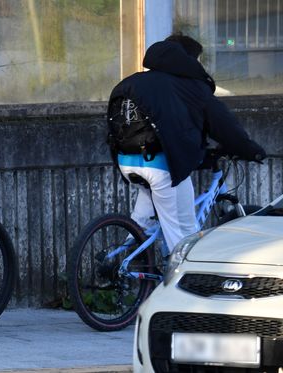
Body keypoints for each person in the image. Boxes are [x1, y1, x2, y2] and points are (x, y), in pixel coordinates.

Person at [106, 32, 266, 255]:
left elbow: (171, 128)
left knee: (143, 223)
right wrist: (252, 151)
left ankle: (115, 261)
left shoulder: (137, 82)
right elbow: (224, 126)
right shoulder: (191, 87)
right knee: (183, 233)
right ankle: (178, 284)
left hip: (127, 160)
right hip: (161, 166)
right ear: (187, 58)